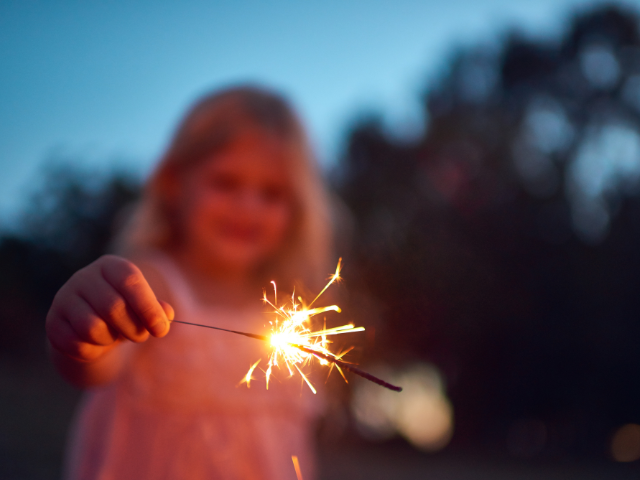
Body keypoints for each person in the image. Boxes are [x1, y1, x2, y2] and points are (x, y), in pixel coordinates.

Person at [45, 85, 333, 480]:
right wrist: (86, 338)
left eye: (272, 193)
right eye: (226, 183)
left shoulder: (285, 308)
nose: (247, 207)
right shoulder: (152, 284)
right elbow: (98, 366)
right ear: (174, 184)